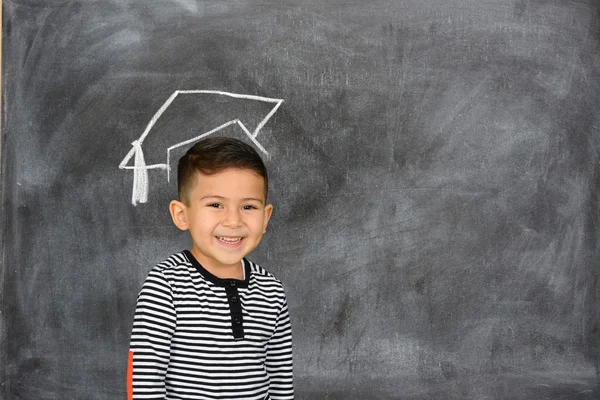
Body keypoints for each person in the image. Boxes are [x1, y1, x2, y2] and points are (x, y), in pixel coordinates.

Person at [127, 137, 294, 400]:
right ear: (182, 215)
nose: (233, 221)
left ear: (265, 217)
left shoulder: (272, 290)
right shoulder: (166, 285)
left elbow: (281, 373)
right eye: (216, 205)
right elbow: (145, 377)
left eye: (248, 207)